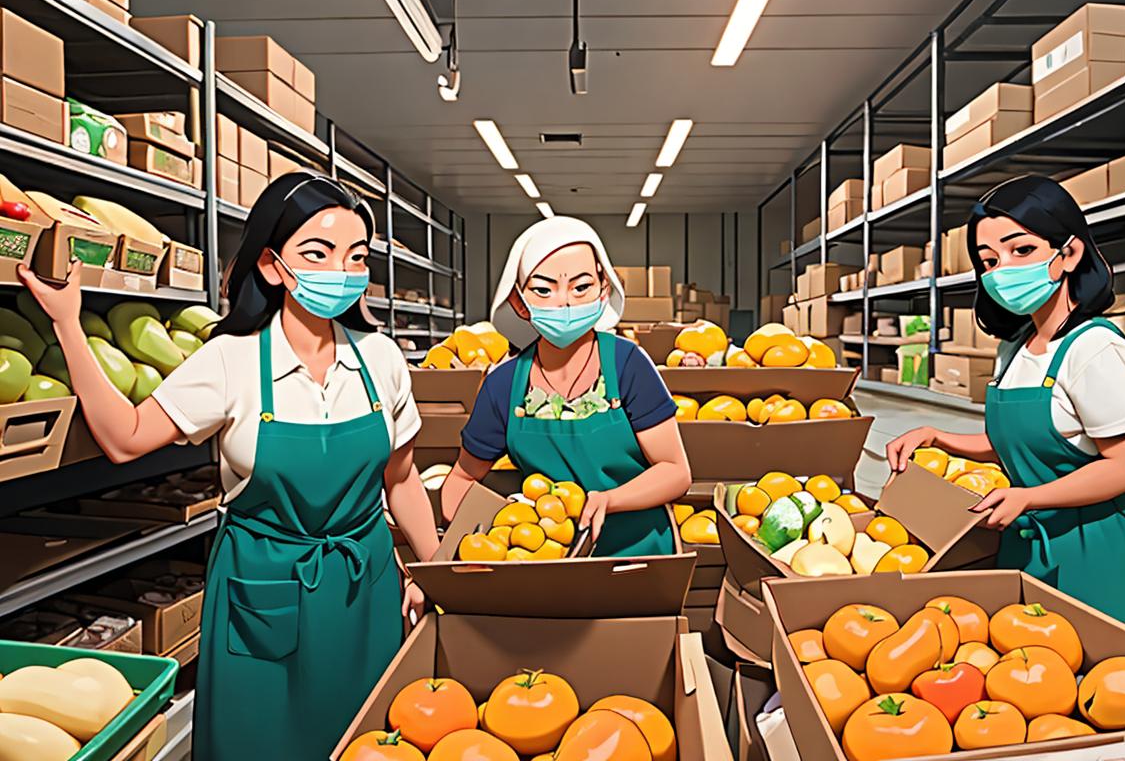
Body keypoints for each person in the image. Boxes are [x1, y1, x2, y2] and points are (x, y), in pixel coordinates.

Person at [19, 172, 441, 760]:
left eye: (355, 257)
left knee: (369, 742)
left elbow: (400, 482)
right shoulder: (231, 360)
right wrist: (69, 323)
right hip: (261, 591)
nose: (339, 271)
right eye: (316, 254)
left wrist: (437, 573)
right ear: (271, 265)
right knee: (257, 741)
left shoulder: (383, 359)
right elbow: (125, 438)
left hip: (363, 587)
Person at [887, 175, 1125, 621]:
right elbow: (1018, 441)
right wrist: (939, 437)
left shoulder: (1094, 349)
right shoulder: (1015, 346)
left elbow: (1124, 465)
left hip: (1093, 549)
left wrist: (1029, 497)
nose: (1004, 271)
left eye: (1022, 251)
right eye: (989, 260)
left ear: (1069, 253)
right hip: (1028, 541)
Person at [440, 216, 691, 557]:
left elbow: (675, 471)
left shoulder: (628, 364)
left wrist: (610, 500)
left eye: (581, 286)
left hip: (637, 554)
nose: (565, 302)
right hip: (546, 563)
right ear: (519, 302)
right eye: (543, 289)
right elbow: (462, 479)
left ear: (604, 289)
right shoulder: (503, 385)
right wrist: (478, 544)